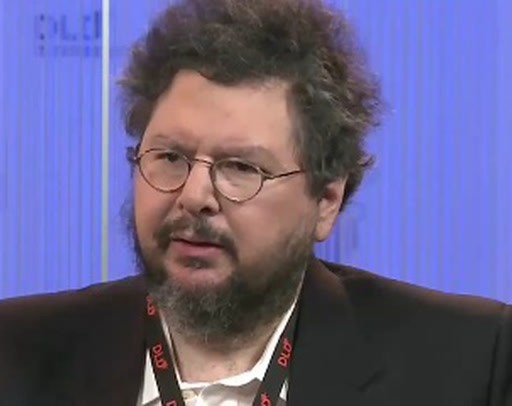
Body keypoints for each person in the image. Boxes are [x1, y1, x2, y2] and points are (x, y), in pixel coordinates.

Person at [1, 0, 511, 405]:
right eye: (170, 157)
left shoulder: (468, 363)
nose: (194, 196)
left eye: (241, 168)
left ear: (327, 201)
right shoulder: (16, 352)